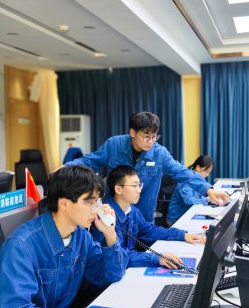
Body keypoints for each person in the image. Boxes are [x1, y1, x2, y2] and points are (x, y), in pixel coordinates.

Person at [0, 166, 128, 308]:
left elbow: (110, 275)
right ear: (64, 204)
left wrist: (110, 234)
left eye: (98, 202)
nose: (96, 210)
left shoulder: (81, 237)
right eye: (89, 202)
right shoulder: (22, 245)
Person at [63, 111, 229, 222]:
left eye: (154, 136)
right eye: (146, 136)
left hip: (143, 217)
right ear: (133, 132)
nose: (151, 141)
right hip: (112, 214)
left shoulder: (160, 153)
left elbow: (183, 172)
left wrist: (208, 190)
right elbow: (89, 161)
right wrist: (66, 168)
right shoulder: (114, 145)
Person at [93, 165, 205, 269]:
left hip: (126, 269)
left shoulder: (133, 211)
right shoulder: (105, 218)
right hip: (111, 273)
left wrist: (182, 235)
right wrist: (157, 258)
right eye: (134, 186)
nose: (139, 190)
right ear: (118, 189)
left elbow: (150, 231)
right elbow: (118, 255)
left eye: (139, 185)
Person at [167, 155, 215, 226]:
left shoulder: (199, 178)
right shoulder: (186, 180)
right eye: (206, 171)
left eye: (209, 172)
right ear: (198, 167)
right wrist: (207, 199)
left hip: (188, 213)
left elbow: (200, 194)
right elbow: (188, 201)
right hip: (176, 219)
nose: (207, 175)